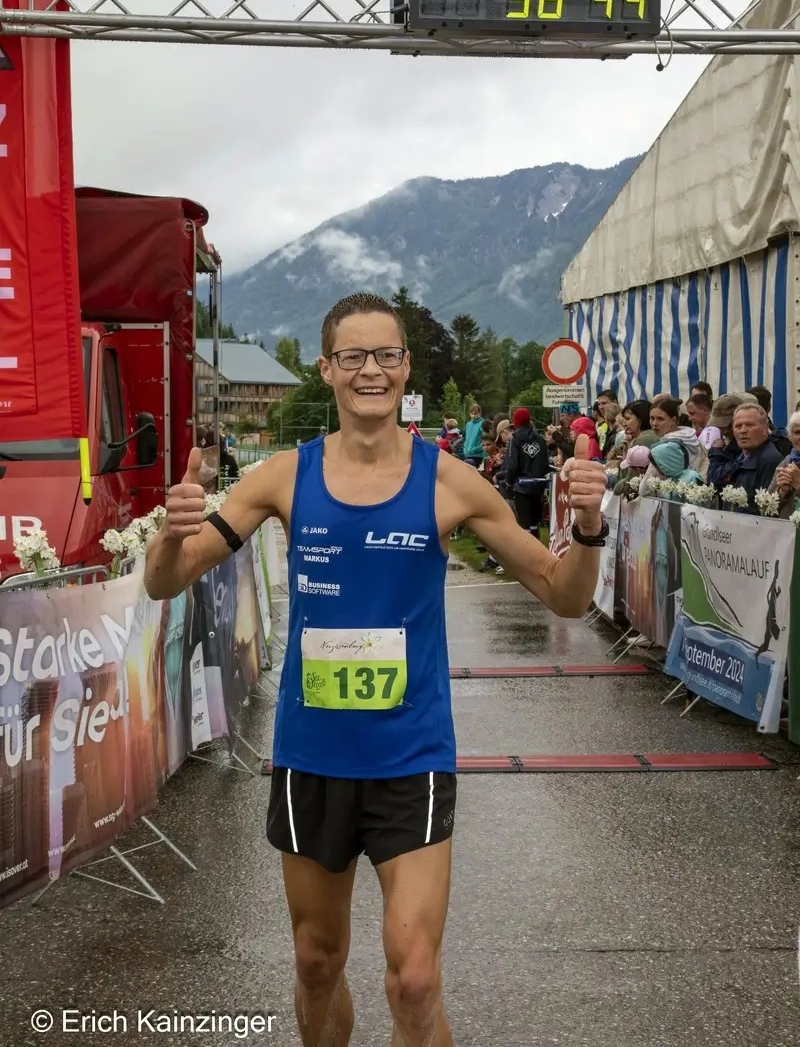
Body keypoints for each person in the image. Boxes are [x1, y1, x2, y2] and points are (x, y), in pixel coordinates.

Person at [143, 292, 607, 1047]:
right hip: (313, 755)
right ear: (326, 368)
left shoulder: (450, 482)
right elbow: (166, 581)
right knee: (316, 961)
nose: (371, 370)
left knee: (415, 979)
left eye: (386, 355)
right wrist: (173, 533)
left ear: (406, 366)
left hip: (410, 756)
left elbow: (565, 597)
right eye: (353, 356)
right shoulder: (282, 477)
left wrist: (587, 530)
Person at [724, 402, 784, 513]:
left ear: (765, 429)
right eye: (738, 426)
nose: (743, 430)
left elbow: (765, 509)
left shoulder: (771, 460)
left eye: (749, 425)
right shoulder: (739, 457)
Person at [505, 407, 551, 535]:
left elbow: (512, 465)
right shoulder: (540, 439)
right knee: (535, 523)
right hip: (538, 485)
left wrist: (509, 481)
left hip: (522, 485)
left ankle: (526, 547)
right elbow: (545, 462)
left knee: (524, 523)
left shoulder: (515, 439)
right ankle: (536, 545)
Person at [768, 411, 800, 517]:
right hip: (786, 526)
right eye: (797, 432)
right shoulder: (786, 462)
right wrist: (781, 492)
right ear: (789, 436)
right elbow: (766, 509)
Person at [462, 403, 485, 468]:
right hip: (467, 454)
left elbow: (485, 439)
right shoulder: (468, 424)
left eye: (475, 414)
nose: (473, 415)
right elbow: (466, 439)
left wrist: (475, 449)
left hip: (477, 454)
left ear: (479, 413)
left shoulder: (482, 423)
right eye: (472, 413)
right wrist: (465, 449)